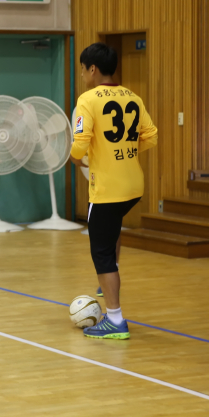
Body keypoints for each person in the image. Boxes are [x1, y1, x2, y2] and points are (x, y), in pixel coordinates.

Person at [70, 42, 157, 340]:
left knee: (102, 254)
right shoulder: (133, 96)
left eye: (83, 69)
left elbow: (80, 143)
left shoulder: (87, 99)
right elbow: (151, 136)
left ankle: (115, 319)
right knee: (110, 240)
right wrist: (125, 152)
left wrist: (77, 156)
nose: (83, 75)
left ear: (92, 69)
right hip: (133, 186)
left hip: (107, 189)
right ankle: (113, 308)